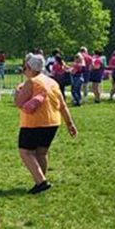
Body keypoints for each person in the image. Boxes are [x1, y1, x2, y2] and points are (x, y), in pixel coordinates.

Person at [13, 53, 78, 194]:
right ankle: (40, 180)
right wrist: (70, 123)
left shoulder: (31, 82)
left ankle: (41, 182)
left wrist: (18, 91)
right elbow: (62, 105)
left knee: (26, 152)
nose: (24, 70)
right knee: (41, 153)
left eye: (25, 67)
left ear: (29, 67)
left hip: (34, 123)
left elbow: (18, 103)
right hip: (53, 122)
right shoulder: (52, 82)